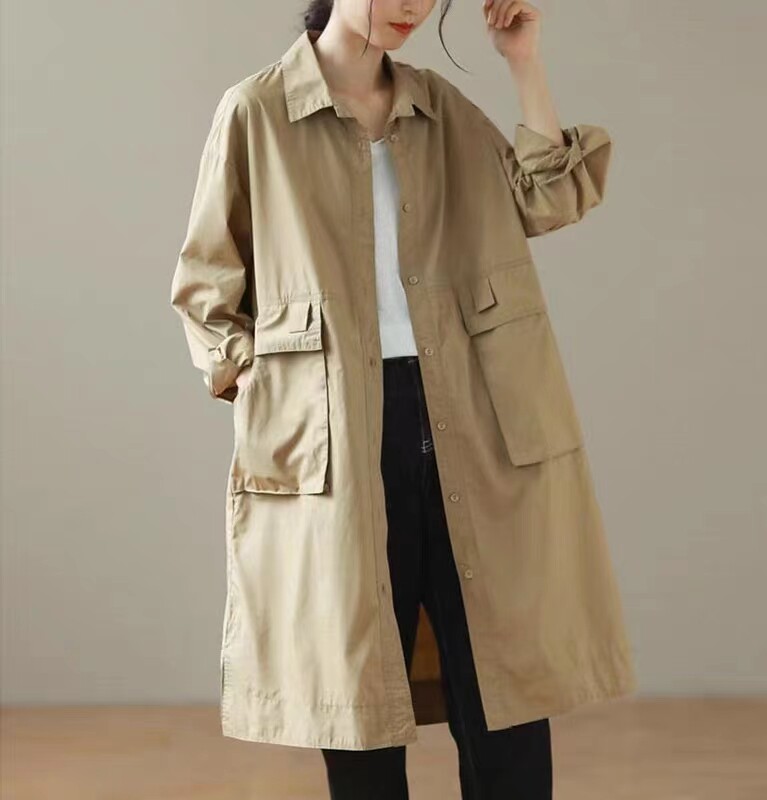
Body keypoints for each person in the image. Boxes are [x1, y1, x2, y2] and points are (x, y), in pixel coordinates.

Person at [170, 0, 637, 798]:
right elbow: (206, 291)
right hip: (336, 436)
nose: (415, 5)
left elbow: (548, 199)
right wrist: (268, 389)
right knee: (355, 701)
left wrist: (523, 63)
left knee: (505, 690)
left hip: (470, 419)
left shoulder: (438, 107)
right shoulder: (257, 112)